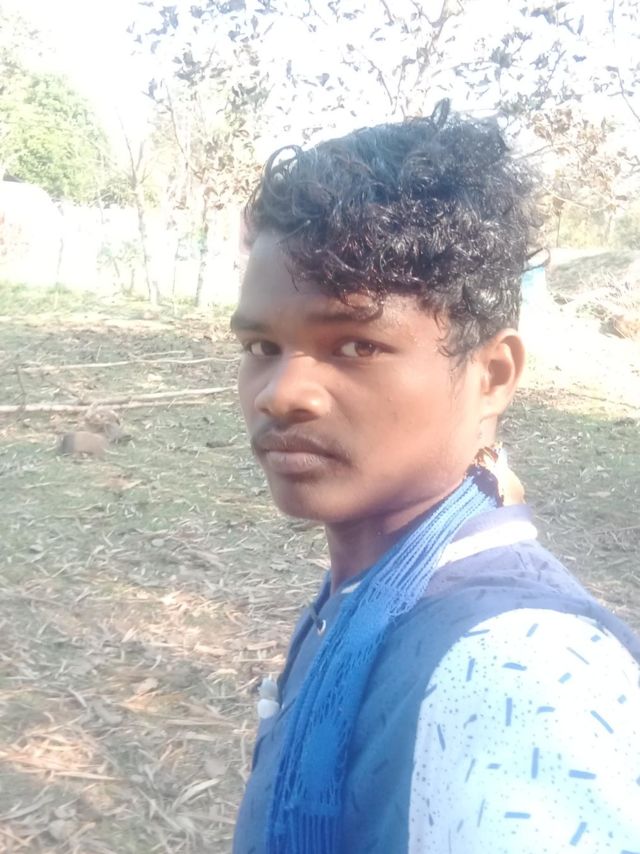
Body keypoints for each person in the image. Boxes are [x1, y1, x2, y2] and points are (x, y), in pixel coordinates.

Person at [230, 102, 640, 854]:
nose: (281, 394)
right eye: (262, 347)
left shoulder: (521, 673)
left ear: (493, 375)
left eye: (356, 345)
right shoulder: (370, 587)